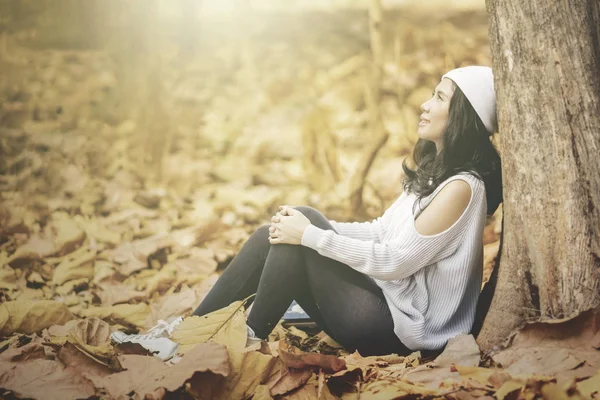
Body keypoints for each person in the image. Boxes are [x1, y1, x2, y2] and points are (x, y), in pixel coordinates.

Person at [111, 65, 503, 361]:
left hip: (406, 333)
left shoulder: (462, 187)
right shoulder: (438, 175)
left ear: (464, 116)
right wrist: (306, 227)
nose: (424, 104)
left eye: (438, 97)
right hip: (386, 308)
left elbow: (396, 262)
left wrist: (312, 235)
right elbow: (380, 230)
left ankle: (235, 344)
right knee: (286, 227)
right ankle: (189, 333)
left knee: (302, 230)